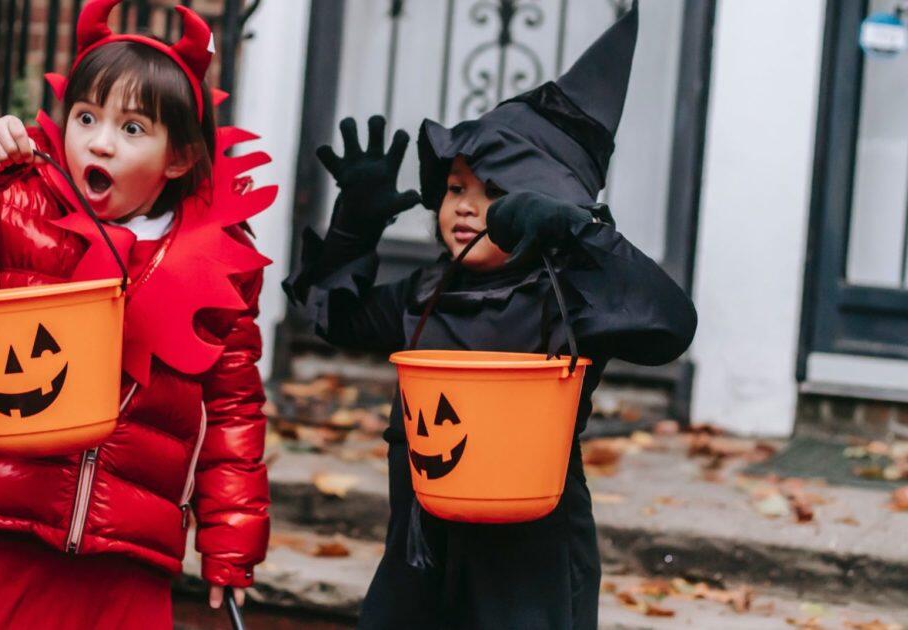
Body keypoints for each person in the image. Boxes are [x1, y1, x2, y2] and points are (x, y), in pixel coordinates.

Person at [285, 3, 696, 627]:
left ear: (544, 203)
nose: (466, 207)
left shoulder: (570, 300)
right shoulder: (422, 293)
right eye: (455, 187)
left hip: (526, 573)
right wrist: (354, 227)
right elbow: (335, 320)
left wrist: (581, 235)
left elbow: (669, 326)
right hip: (420, 560)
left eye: (495, 192)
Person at [0, 0, 273, 626]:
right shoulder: (17, 203)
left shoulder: (219, 263)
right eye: (87, 117)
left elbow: (234, 408)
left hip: (127, 553)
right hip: (2, 525)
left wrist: (231, 539)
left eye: (133, 128)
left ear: (180, 158)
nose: (100, 141)